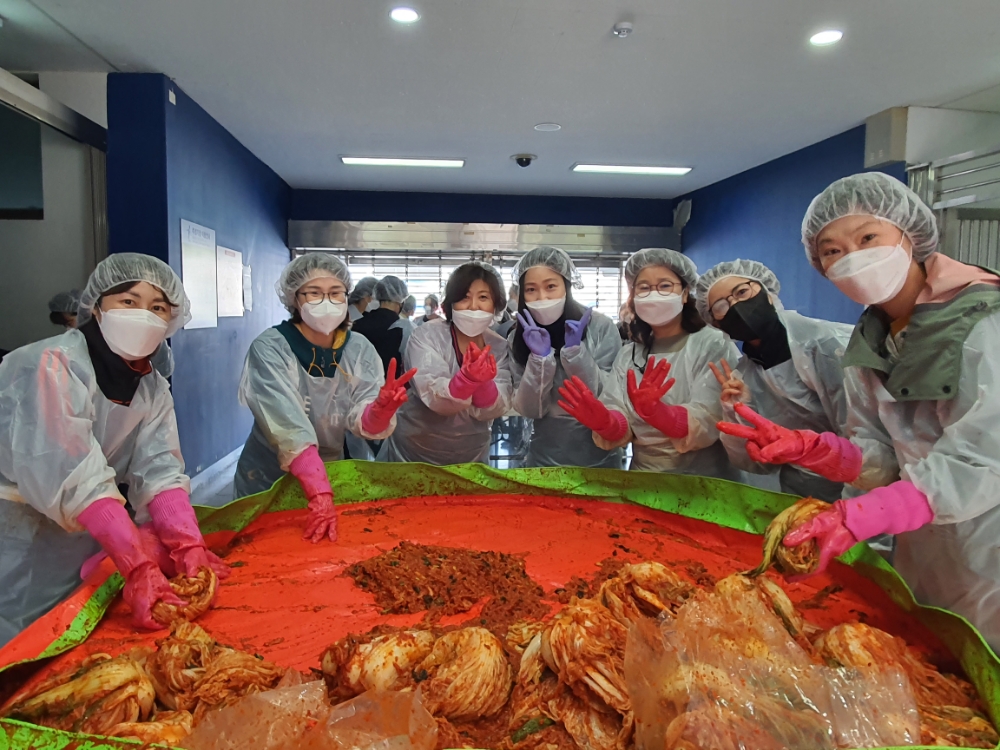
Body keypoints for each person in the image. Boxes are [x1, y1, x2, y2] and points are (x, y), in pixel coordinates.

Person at [719, 172, 1000, 651]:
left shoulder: (983, 323)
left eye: (867, 237)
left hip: (987, 540)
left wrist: (858, 517)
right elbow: (888, 456)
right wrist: (816, 450)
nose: (851, 257)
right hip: (924, 543)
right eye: (831, 251)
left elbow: (981, 462)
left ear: (908, 234)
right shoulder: (872, 338)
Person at [0, 254, 226, 644]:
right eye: (128, 301)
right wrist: (137, 566)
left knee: (74, 627)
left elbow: (159, 469)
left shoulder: (150, 385)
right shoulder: (51, 365)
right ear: (98, 307)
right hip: (20, 528)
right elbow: (71, 472)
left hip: (90, 526)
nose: (143, 315)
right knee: (21, 636)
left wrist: (188, 544)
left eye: (158, 308)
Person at [233, 254, 414, 541]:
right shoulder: (272, 348)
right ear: (295, 298)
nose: (326, 302)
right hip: (268, 476)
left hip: (331, 470)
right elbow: (287, 426)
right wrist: (319, 491)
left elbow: (362, 419)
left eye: (335, 293)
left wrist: (379, 411)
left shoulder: (358, 349)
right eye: (314, 293)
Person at [560, 248, 741, 478]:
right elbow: (620, 419)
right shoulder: (630, 356)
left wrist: (660, 414)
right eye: (644, 288)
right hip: (645, 481)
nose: (654, 294)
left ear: (685, 293)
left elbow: (709, 419)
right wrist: (606, 422)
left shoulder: (712, 344)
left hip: (705, 482)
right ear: (633, 297)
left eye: (665, 286)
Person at [695, 260, 853, 500]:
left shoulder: (827, 347)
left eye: (742, 292)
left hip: (862, 491)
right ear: (716, 324)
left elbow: (867, 439)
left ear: (767, 293)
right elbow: (755, 464)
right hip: (799, 492)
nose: (736, 305)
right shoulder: (744, 376)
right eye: (721, 306)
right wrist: (738, 410)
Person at [377, 262, 513, 465]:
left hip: (471, 455)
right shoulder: (427, 335)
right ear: (450, 303)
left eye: (483, 297)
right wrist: (467, 381)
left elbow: (495, 407)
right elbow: (434, 397)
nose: (474, 306)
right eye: (465, 297)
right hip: (415, 452)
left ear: (496, 304)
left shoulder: (499, 347)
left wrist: (484, 386)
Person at [509, 246, 623, 468]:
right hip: (544, 458)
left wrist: (575, 353)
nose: (542, 297)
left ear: (567, 286)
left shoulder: (599, 327)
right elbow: (531, 410)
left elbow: (607, 395)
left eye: (551, 286)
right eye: (531, 289)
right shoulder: (520, 336)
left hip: (601, 455)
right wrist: (540, 360)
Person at [351, 275, 411, 376]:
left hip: (362, 387)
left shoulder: (358, 324)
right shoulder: (405, 328)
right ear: (400, 301)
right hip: (392, 388)